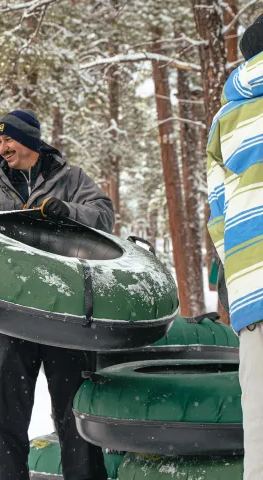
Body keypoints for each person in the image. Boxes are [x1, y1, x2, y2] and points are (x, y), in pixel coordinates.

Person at [0, 109, 115, 480]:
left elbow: (104, 215)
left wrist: (66, 210)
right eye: (0, 141)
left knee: (75, 415)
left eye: (9, 139)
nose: (3, 147)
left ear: (30, 141)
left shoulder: (70, 178)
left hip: (65, 314)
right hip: (11, 316)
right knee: (4, 416)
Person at [206, 14, 263, 480]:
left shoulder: (225, 117)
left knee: (259, 434)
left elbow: (218, 213)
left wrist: (242, 271)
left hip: (252, 293)